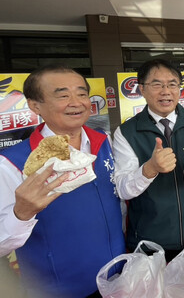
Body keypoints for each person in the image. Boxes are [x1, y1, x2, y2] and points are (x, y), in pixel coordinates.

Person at [0, 65, 125, 298]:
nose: (76, 102)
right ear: (35, 105)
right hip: (59, 289)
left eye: (81, 93)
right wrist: (21, 214)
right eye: (63, 95)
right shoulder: (13, 163)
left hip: (115, 279)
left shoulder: (103, 141)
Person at [113, 59, 184, 262]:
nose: (166, 91)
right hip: (152, 242)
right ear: (142, 89)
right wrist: (150, 168)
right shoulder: (126, 132)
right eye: (157, 84)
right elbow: (122, 189)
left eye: (172, 84)